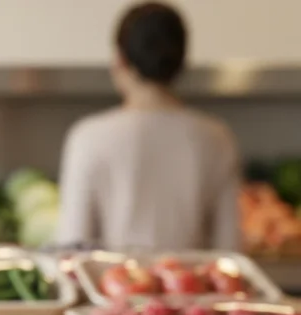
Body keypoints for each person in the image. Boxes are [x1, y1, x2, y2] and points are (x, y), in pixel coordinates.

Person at [54, 2, 241, 251]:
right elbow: (229, 250)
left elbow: (72, 246)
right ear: (180, 62)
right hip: (193, 288)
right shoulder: (217, 138)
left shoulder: (88, 138)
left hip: (111, 287)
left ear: (119, 60)